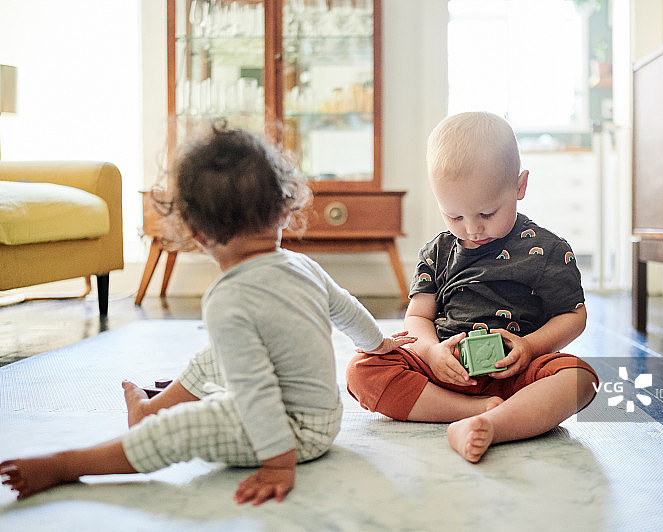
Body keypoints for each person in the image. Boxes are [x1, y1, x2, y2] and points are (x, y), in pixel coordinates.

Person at [0, 124, 414, 504]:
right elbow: (345, 309)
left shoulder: (227, 299)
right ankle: (155, 406)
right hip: (325, 415)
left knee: (186, 426)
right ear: (283, 209)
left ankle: (71, 465)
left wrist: (278, 462)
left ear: (196, 233)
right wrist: (378, 344)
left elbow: (255, 391)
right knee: (218, 354)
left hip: (292, 436)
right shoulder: (301, 265)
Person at [346, 111, 598, 463]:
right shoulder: (437, 251)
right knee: (362, 369)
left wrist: (528, 346)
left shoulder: (548, 250)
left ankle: (495, 424)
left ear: (519, 186)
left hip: (517, 371)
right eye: (454, 216)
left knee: (581, 380)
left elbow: (574, 317)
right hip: (443, 369)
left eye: (486, 213)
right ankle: (471, 410)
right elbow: (418, 316)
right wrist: (432, 352)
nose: (472, 229)